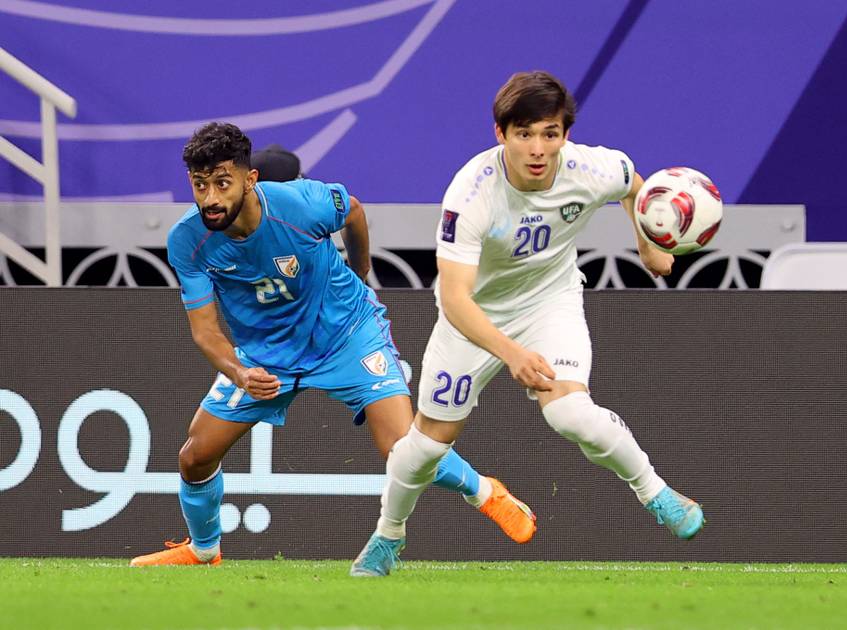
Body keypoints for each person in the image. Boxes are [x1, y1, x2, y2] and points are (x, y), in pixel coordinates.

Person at [129, 122, 536, 567]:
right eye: (199, 184)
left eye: (222, 183)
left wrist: (360, 275)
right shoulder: (188, 241)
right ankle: (204, 550)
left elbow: (355, 212)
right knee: (195, 456)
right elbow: (206, 330)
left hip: (345, 334)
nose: (209, 198)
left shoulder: (300, 204)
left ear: (250, 180)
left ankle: (484, 491)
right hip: (265, 357)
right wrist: (240, 373)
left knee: (402, 446)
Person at [351, 71, 705, 577]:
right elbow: (454, 298)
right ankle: (388, 536)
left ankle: (658, 494)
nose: (538, 148)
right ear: (501, 134)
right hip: (473, 316)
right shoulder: (472, 193)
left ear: (564, 134)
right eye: (524, 134)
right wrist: (511, 352)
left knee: (570, 414)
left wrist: (646, 241)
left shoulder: (590, 168)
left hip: (549, 302)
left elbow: (632, 183)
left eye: (550, 134)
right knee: (425, 445)